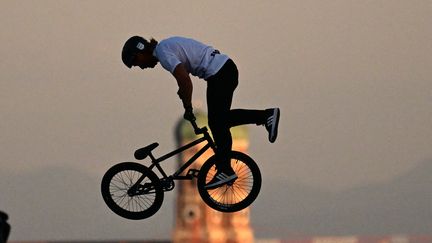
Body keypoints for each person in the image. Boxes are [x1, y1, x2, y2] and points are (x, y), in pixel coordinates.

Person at [122, 36, 280, 189]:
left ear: (141, 52)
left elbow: (184, 81)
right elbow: (184, 81)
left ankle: (227, 167)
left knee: (218, 122)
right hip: (221, 73)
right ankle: (263, 119)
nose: (140, 67)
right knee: (219, 121)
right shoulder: (165, 47)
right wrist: (185, 98)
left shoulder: (163, 53)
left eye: (136, 62)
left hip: (220, 74)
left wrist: (188, 106)